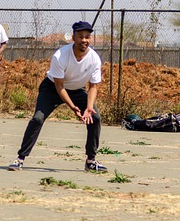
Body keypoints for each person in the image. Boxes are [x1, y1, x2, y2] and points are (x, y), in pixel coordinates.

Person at [8, 21, 108, 173]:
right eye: (80, 36)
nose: (84, 40)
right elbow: (59, 86)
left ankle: (90, 161)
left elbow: (93, 86)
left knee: (96, 118)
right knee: (37, 119)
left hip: (77, 90)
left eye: (87, 37)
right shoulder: (60, 56)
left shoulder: (94, 59)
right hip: (52, 89)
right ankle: (20, 159)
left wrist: (88, 108)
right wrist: (72, 106)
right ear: (73, 37)